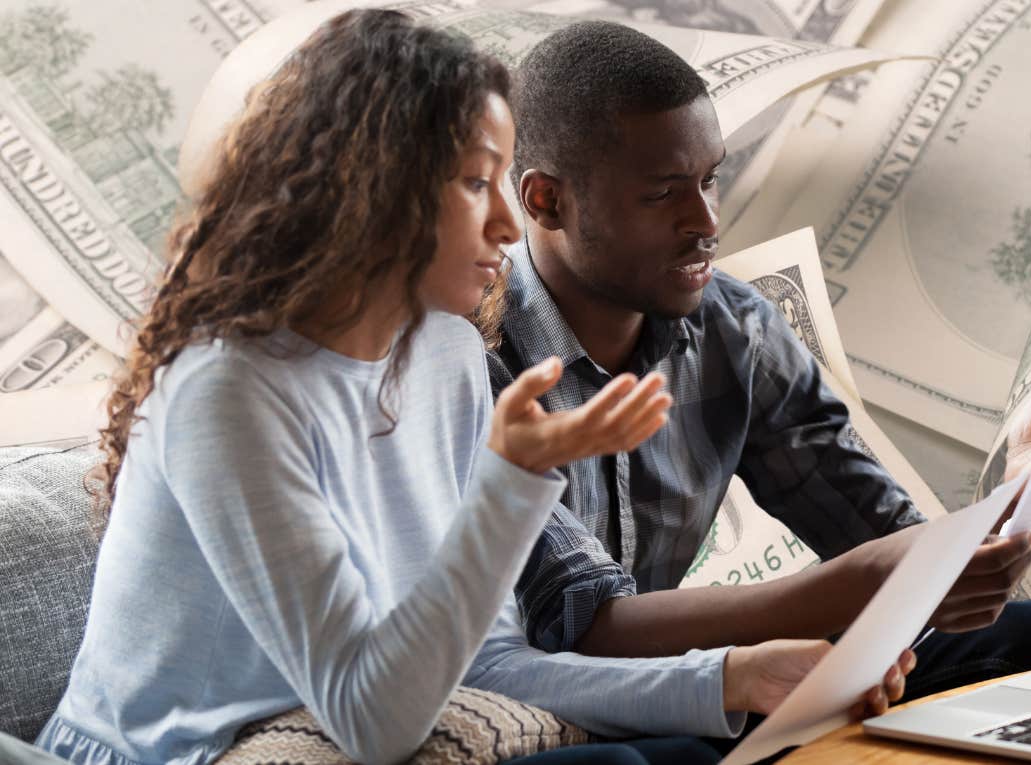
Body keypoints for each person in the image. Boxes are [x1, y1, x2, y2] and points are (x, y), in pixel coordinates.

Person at [466, 20, 1031, 741]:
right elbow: (581, 628)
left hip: (698, 681)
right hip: (571, 699)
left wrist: (1021, 491)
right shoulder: (471, 362)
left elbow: (890, 542)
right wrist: (862, 584)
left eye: (709, 180)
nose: (705, 222)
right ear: (544, 201)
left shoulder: (737, 329)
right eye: (664, 193)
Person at [35, 11, 683, 765]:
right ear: (374, 187)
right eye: (477, 182)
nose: (509, 224)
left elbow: (483, 665)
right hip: (179, 752)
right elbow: (372, 722)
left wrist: (732, 677)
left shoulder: (446, 353)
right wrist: (513, 479)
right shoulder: (227, 392)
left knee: (687, 747)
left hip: (336, 727)